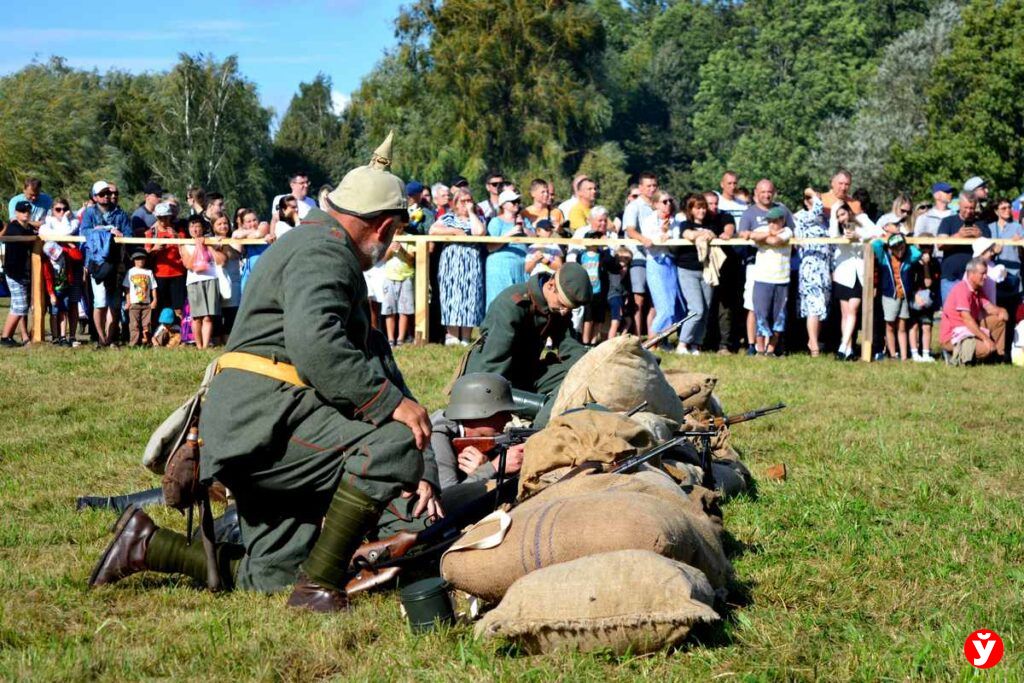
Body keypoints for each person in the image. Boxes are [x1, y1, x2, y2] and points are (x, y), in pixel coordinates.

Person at [89, 133, 437, 614]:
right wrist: (389, 408)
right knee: (392, 442)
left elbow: (372, 359)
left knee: (270, 577)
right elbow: (316, 343)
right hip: (266, 426)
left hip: (258, 425)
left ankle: (147, 544)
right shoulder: (324, 252)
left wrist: (422, 459)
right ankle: (318, 589)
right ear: (381, 226)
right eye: (395, 229)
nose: (393, 240)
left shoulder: (312, 243)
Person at [461, 263, 593, 427]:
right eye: (563, 304)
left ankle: (552, 410)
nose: (565, 312)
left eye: (570, 308)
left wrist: (592, 366)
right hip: (488, 381)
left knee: (576, 371)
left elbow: (570, 346)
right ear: (551, 286)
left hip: (522, 374)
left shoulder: (556, 307)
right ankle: (542, 420)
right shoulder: (512, 305)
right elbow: (493, 364)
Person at [430, 373, 525, 489]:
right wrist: (493, 468)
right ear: (479, 412)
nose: (508, 418)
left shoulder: (480, 438)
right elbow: (447, 498)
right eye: (501, 413)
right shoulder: (437, 437)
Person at [738, 179, 795, 355]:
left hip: (781, 276)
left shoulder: (784, 214)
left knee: (779, 315)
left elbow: (776, 238)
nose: (766, 195)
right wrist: (764, 234)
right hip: (758, 271)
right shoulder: (749, 213)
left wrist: (760, 236)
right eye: (762, 191)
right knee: (756, 310)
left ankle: (773, 347)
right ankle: (755, 346)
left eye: (769, 191)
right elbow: (745, 234)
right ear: (756, 192)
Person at [430, 186, 486, 345]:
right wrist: (455, 231)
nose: (466, 204)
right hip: (452, 262)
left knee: (470, 296)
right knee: (452, 296)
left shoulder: (478, 218)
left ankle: (466, 336)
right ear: (455, 203)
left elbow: (479, 232)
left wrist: (471, 213)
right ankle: (452, 335)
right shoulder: (448, 218)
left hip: (471, 262)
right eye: (463, 201)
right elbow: (433, 230)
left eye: (469, 201)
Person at [80, 180, 132, 346]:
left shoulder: (121, 214)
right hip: (97, 263)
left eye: (108, 193)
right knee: (100, 302)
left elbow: (129, 236)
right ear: (95, 197)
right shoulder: (89, 213)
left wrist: (120, 235)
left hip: (117, 263)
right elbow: (85, 232)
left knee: (114, 303)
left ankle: (110, 339)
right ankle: (100, 338)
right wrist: (107, 231)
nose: (107, 196)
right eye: (102, 194)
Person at [830, 201, 879, 361]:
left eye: (843, 214)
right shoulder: (836, 228)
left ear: (849, 212)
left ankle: (842, 346)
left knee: (853, 310)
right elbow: (831, 236)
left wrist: (859, 236)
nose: (841, 218)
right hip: (843, 273)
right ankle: (849, 350)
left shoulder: (863, 221)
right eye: (838, 216)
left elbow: (877, 234)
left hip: (859, 272)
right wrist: (833, 216)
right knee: (845, 313)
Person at [939, 257, 1007, 365]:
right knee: (986, 348)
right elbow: (968, 320)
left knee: (998, 321)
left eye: (986, 273)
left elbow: (991, 308)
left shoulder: (977, 290)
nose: (985, 277)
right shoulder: (962, 289)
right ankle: (952, 354)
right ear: (971, 274)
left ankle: (997, 358)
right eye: (982, 273)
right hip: (953, 336)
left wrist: (1002, 311)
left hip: (968, 329)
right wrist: (986, 339)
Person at [673, 195, 717, 355]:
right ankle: (683, 344)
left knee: (705, 309)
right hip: (687, 270)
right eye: (698, 207)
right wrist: (702, 234)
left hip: (706, 270)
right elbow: (688, 235)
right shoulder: (686, 224)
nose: (702, 211)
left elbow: (714, 234)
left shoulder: (711, 224)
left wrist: (709, 233)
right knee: (696, 309)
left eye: (704, 207)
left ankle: (696, 344)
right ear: (691, 210)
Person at [873, 233, 921, 360]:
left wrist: (908, 243)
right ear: (890, 248)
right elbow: (875, 244)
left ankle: (904, 356)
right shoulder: (884, 258)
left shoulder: (908, 259)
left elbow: (918, 253)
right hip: (889, 296)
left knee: (902, 326)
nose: (899, 251)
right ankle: (893, 354)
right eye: (896, 248)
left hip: (903, 296)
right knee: (889, 325)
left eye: (902, 248)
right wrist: (885, 239)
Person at [793, 189, 829, 356]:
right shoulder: (800, 216)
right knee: (814, 305)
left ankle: (813, 338)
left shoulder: (823, 220)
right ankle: (813, 345)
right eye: (811, 199)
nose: (815, 202)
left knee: (821, 307)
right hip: (810, 266)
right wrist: (812, 195)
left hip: (824, 266)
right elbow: (817, 208)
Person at [180, 215, 225, 349]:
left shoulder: (211, 241)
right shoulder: (184, 244)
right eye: (192, 226)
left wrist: (208, 245)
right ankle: (198, 346)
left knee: (208, 316)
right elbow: (188, 264)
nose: (195, 229)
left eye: (198, 226)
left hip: (211, 279)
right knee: (196, 316)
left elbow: (221, 260)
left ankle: (205, 346)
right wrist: (197, 247)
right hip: (194, 281)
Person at [937, 194, 990, 304]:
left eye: (971, 208)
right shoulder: (948, 221)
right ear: (959, 205)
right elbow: (940, 244)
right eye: (965, 207)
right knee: (951, 313)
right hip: (951, 277)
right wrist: (958, 236)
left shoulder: (982, 224)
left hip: (975, 278)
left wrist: (980, 237)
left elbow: (991, 250)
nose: (969, 211)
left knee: (973, 313)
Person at [623, 172, 658, 337]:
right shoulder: (634, 206)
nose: (652, 189)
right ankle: (636, 336)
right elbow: (629, 230)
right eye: (648, 186)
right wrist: (643, 239)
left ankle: (653, 336)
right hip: (639, 257)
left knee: (655, 299)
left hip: (657, 257)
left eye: (654, 185)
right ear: (641, 187)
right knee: (639, 299)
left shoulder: (658, 205)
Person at [0, 201, 37, 346]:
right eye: (22, 211)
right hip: (13, 272)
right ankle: (5, 337)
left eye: (28, 211)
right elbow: (23, 236)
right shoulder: (13, 228)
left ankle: (6, 337)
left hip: (23, 272)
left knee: (17, 305)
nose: (25, 213)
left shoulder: (28, 228)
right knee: (20, 306)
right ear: (16, 213)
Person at [485, 189, 529, 310]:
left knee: (521, 304)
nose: (516, 204)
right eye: (513, 201)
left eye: (518, 201)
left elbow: (535, 239)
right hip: (500, 269)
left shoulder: (523, 221)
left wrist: (524, 228)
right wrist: (510, 234)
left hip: (521, 267)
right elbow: (490, 247)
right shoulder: (496, 222)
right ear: (503, 204)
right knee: (500, 303)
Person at [145, 202, 188, 323]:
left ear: (170, 217)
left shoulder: (179, 232)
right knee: (161, 307)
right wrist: (154, 249)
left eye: (166, 217)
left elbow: (186, 250)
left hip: (178, 274)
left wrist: (177, 238)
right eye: (160, 217)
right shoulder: (151, 233)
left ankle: (182, 333)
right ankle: (161, 334)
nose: (163, 220)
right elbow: (145, 255)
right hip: (159, 275)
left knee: (178, 308)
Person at [988, 197, 1022, 339]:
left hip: (1013, 275)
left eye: (1009, 207)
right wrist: (993, 251)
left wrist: (1019, 242)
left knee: (1012, 313)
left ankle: (1010, 349)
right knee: (996, 314)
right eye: (1003, 208)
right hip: (993, 278)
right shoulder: (989, 228)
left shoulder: (1018, 228)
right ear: (996, 211)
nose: (1007, 210)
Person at [380, 222, 415, 346]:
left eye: (399, 227)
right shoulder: (387, 237)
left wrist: (401, 250)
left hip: (406, 277)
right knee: (389, 310)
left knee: (404, 310)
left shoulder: (410, 238)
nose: (397, 230)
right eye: (395, 227)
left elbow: (411, 260)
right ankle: (390, 339)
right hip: (389, 277)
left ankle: (400, 339)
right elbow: (383, 258)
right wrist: (390, 249)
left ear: (403, 226)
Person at [210, 215, 242, 342]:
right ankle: (217, 341)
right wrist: (213, 247)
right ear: (213, 226)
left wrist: (224, 244)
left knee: (231, 314)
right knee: (216, 315)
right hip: (216, 281)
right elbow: (219, 261)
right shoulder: (210, 241)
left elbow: (234, 255)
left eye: (225, 223)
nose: (223, 226)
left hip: (233, 282)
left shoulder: (235, 239)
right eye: (219, 224)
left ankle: (229, 342)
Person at [908, 235, 939, 362]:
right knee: (913, 326)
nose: (926, 250)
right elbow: (908, 283)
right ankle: (915, 353)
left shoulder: (934, 263)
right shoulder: (912, 262)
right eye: (923, 247)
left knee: (927, 326)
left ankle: (926, 353)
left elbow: (928, 283)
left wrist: (926, 265)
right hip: (914, 297)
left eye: (929, 247)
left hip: (928, 299)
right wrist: (915, 296)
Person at [232, 208, 272, 294]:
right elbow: (236, 235)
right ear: (242, 224)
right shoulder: (238, 232)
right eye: (249, 222)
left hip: (266, 273)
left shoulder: (264, 224)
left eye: (254, 220)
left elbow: (260, 232)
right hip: (249, 274)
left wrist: (246, 235)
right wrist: (252, 233)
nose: (253, 223)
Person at [122, 251, 158, 346]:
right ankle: (133, 343)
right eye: (138, 259)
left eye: (142, 258)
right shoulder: (130, 272)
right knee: (134, 325)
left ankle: (146, 342)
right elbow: (127, 288)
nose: (140, 261)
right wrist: (128, 301)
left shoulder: (148, 272)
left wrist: (154, 300)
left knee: (147, 325)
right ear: (134, 261)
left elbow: (153, 287)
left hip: (146, 303)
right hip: (134, 303)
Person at [607, 247, 633, 338]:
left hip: (620, 296)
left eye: (628, 260)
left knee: (628, 321)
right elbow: (616, 283)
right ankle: (611, 343)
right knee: (616, 321)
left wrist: (625, 296)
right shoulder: (615, 268)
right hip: (614, 296)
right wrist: (622, 270)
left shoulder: (624, 269)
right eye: (624, 259)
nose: (626, 262)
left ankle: (621, 338)